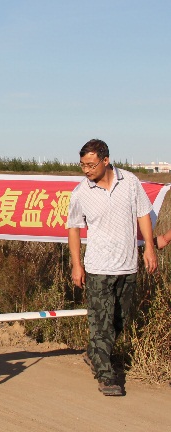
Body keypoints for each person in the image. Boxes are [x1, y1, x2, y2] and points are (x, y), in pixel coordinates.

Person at [67, 139, 157, 396]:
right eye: (82, 165)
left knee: (120, 319)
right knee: (100, 322)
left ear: (106, 161)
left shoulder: (130, 182)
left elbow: (143, 214)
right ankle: (106, 376)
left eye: (91, 165)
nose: (86, 170)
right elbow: (73, 229)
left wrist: (149, 247)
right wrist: (77, 265)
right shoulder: (81, 192)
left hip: (127, 266)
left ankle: (94, 353)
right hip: (98, 268)